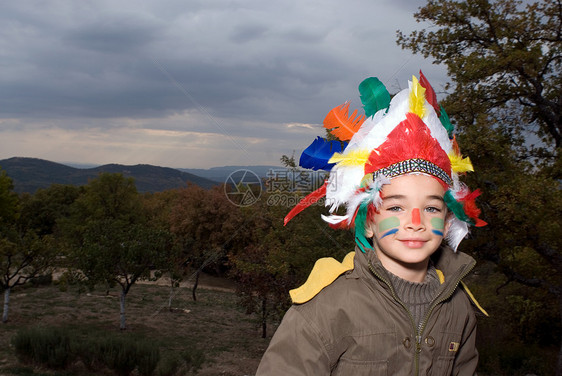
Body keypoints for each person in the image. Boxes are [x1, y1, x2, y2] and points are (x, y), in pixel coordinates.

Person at [256, 72, 488, 375]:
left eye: (431, 207)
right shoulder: (326, 308)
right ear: (367, 223)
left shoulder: (458, 307)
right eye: (395, 206)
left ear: (447, 222)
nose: (415, 222)